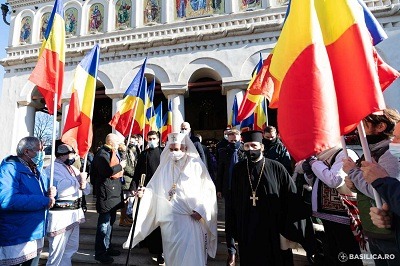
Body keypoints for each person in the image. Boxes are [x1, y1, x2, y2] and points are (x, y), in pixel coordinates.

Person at [123, 132, 217, 265]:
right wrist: (145, 192)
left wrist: (201, 209)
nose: (173, 152)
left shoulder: (195, 165)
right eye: (171, 149)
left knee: (190, 255)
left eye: (177, 149)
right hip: (169, 220)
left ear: (185, 148)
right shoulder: (165, 166)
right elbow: (155, 189)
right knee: (172, 255)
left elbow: (207, 190)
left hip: (189, 219)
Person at [229, 130, 309, 265]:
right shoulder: (238, 169)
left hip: (273, 227)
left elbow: (291, 197)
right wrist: (233, 231)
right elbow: (233, 201)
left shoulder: (277, 168)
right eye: (247, 146)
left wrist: (291, 228)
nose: (250, 150)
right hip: (247, 226)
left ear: (262, 147)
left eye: (254, 146)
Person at [343, 109, 400, 266]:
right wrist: (354, 186)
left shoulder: (389, 151)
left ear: (381, 126)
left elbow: (384, 192)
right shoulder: (372, 151)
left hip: (388, 235)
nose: (359, 128)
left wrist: (353, 172)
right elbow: (369, 187)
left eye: (365, 123)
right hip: (374, 230)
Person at [302, 145, 363, 265]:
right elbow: (317, 182)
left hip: (342, 214)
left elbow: (334, 180)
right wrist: (309, 173)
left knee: (347, 254)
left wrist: (314, 163)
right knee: (332, 252)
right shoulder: (323, 155)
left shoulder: (344, 153)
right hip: (326, 213)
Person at [0, 136, 56, 266]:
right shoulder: (9, 169)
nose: (42, 153)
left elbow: (46, 195)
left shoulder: (37, 169)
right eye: (39, 150)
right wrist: (43, 201)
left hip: (35, 232)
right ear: (26, 151)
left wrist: (53, 193)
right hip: (17, 235)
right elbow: (7, 200)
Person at [45, 144, 91, 266]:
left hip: (74, 214)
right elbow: (62, 189)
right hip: (60, 216)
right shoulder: (52, 169)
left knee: (70, 249)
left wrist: (83, 182)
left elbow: (86, 190)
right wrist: (78, 181)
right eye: (71, 154)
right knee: (57, 252)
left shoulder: (74, 169)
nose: (74, 157)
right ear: (62, 155)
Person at [360, 119, 400, 251]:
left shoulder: (387, 154)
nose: (392, 142)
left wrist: (381, 181)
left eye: (398, 138)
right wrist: (390, 217)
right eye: (394, 137)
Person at [128, 131, 164, 263]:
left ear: (158, 139)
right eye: (149, 138)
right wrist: (133, 187)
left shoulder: (163, 153)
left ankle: (160, 250)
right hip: (146, 191)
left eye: (154, 138)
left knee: (159, 220)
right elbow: (137, 172)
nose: (152, 140)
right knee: (147, 217)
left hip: (161, 192)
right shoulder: (144, 154)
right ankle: (147, 242)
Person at [91, 133, 126, 264]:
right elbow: (106, 171)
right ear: (111, 142)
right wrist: (120, 166)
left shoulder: (112, 152)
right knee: (104, 225)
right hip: (106, 194)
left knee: (110, 223)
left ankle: (107, 247)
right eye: (117, 142)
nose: (119, 144)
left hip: (113, 193)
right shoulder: (102, 154)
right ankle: (100, 253)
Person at [216, 129, 246, 266]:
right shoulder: (223, 152)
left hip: (244, 193)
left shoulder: (245, 151)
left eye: (235, 140)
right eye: (231, 140)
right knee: (229, 222)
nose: (233, 142)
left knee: (243, 221)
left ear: (240, 138)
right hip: (228, 192)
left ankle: (244, 249)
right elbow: (220, 171)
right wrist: (219, 189)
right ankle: (231, 252)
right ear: (227, 139)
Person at [119, 136, 138, 227]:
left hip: (131, 179)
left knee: (128, 200)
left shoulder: (133, 151)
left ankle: (126, 217)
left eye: (134, 141)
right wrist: (134, 173)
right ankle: (122, 219)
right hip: (127, 179)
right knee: (125, 200)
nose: (132, 143)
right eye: (131, 141)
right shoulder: (124, 152)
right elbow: (125, 165)